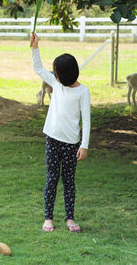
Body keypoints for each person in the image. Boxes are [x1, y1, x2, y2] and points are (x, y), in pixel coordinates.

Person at [30, 33, 91, 233]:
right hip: (52, 140)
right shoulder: (56, 84)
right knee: (51, 178)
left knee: (69, 181)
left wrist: (84, 145)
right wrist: (35, 47)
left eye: (56, 72)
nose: (53, 75)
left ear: (64, 74)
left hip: (71, 144)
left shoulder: (82, 92)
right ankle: (48, 218)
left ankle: (69, 218)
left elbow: (87, 120)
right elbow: (38, 68)